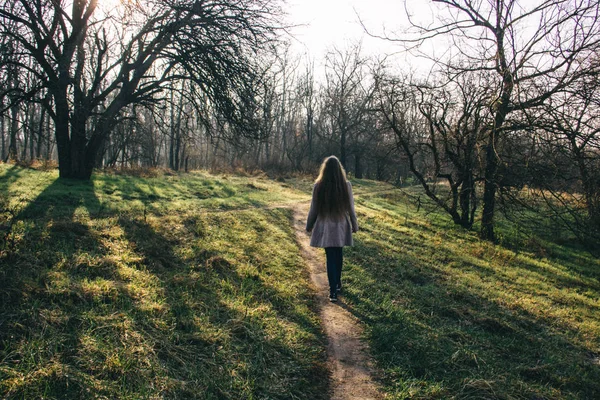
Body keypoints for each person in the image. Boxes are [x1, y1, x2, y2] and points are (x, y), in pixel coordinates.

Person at [306, 156, 358, 302]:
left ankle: (333, 290)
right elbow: (351, 208)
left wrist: (309, 225)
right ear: (339, 169)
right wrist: (354, 224)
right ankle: (337, 284)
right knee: (338, 254)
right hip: (341, 225)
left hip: (326, 226)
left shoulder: (319, 185)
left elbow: (313, 209)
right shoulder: (346, 185)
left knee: (330, 256)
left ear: (325, 169)